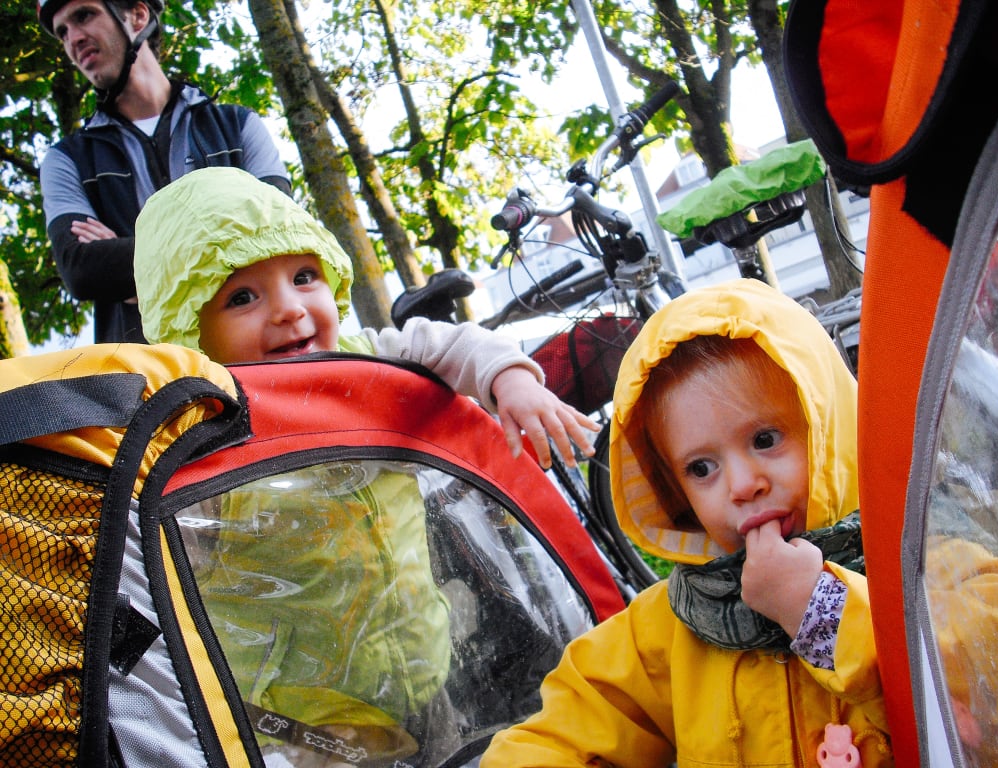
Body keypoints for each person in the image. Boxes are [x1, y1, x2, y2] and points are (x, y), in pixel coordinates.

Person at [132, 165, 598, 767]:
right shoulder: (203, 437)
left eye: (305, 277)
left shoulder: (367, 361)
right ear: (190, 330)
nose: (290, 310)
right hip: (307, 722)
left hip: (431, 671)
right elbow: (169, 576)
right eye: (242, 297)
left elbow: (449, 344)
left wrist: (510, 382)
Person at [481, 278, 893, 767]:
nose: (742, 485)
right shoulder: (671, 625)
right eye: (701, 468)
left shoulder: (920, 563)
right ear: (674, 490)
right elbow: (569, 726)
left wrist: (822, 612)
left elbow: (978, 682)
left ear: (829, 425)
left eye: (765, 439)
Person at [38, 0, 290, 344]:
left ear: (138, 16)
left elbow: (281, 236)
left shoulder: (238, 125)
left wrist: (143, 272)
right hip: (145, 379)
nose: (73, 39)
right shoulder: (66, 159)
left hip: (253, 359)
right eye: (63, 32)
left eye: (84, 16)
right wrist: (226, 259)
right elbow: (83, 270)